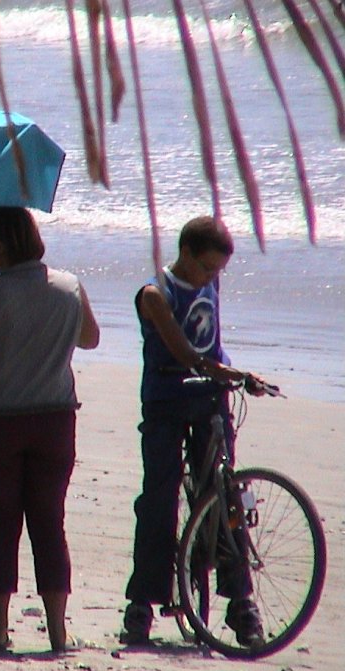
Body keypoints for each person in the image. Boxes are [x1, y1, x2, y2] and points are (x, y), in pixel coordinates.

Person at [0, 206, 100, 653]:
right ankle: (57, 630)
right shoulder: (69, 286)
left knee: (1, 523)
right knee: (49, 521)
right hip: (54, 417)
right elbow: (90, 338)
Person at [120, 215, 264, 647]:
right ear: (185, 254)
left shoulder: (211, 281)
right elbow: (184, 351)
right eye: (206, 268)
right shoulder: (154, 295)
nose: (212, 277)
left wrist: (236, 378)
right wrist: (218, 369)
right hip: (167, 399)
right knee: (159, 500)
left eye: (217, 271)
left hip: (209, 399)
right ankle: (143, 604)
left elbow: (210, 345)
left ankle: (240, 604)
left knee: (226, 497)